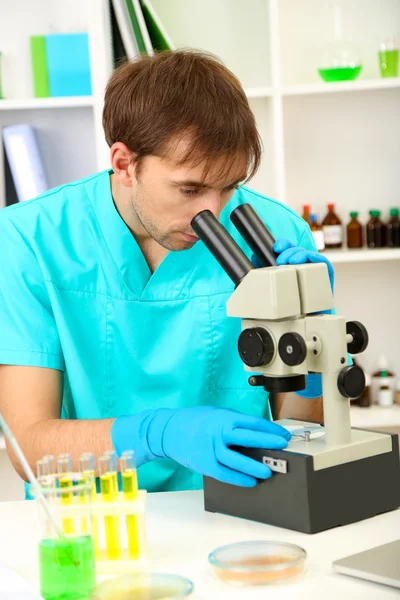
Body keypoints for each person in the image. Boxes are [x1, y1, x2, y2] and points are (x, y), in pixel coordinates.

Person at [0, 50, 333, 499]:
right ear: (123, 163)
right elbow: (27, 450)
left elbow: (302, 424)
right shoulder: (31, 239)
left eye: (229, 185)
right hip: (90, 518)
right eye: (190, 188)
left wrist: (312, 336)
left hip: (236, 502)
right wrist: (156, 433)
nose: (212, 212)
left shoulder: (278, 233)